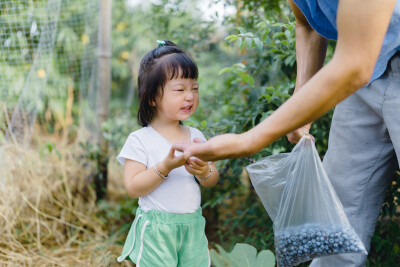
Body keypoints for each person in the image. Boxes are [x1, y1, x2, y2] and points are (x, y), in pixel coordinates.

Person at [174, 1, 400, 266]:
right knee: (335, 222)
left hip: (363, 62)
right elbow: (307, 25)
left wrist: (248, 140)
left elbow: (355, 63)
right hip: (368, 76)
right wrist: (302, 99)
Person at [116, 40, 219, 267]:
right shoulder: (140, 139)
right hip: (157, 231)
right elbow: (133, 187)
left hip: (192, 227)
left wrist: (204, 170)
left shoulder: (195, 135)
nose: (190, 96)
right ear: (152, 97)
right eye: (180, 90)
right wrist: (166, 167)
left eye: (194, 88)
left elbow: (212, 179)